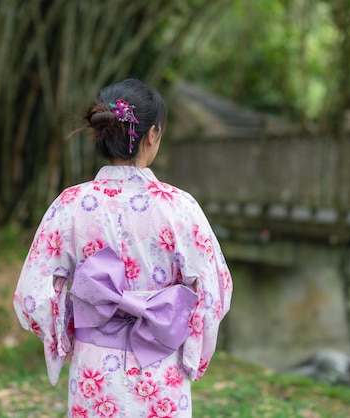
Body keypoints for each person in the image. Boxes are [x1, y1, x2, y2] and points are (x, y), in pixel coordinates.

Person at [13, 78, 232, 417]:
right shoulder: (179, 207)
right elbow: (214, 291)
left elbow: (33, 293)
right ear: (153, 134)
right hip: (160, 365)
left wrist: (68, 332)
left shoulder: (70, 204)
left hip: (94, 370)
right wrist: (193, 356)